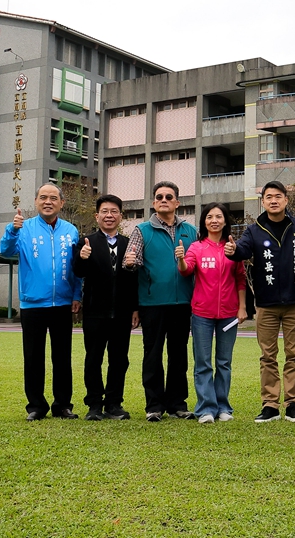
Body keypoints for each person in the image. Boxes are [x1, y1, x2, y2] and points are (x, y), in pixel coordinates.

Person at [225, 181, 295, 423]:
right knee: (268, 356)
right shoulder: (253, 230)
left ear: (286, 200)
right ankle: (270, 405)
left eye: (278, 196)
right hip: (265, 304)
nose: (273, 200)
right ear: (262, 202)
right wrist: (232, 249)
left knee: (294, 356)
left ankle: (293, 404)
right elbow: (242, 250)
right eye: (268, 197)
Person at [0, 183, 82, 421]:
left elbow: (77, 268)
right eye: (43, 197)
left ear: (61, 203)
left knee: (62, 358)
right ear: (36, 201)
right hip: (33, 304)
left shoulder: (71, 230)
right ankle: (36, 406)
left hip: (63, 304)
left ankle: (63, 405)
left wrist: (77, 295)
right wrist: (12, 230)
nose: (48, 201)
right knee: (33, 357)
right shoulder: (22, 228)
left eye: (53, 198)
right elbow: (5, 251)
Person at [123, 181, 197, 422]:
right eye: (159, 197)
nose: (163, 200)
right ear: (154, 203)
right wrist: (131, 262)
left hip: (182, 303)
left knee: (179, 356)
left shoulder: (191, 231)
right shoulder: (141, 230)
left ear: (177, 202)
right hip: (152, 304)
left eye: (169, 196)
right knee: (152, 355)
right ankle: (154, 405)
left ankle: (178, 404)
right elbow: (128, 262)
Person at [177, 202, 247, 424]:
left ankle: (223, 407)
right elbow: (186, 270)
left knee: (224, 362)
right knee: (203, 363)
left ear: (225, 221)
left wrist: (242, 307)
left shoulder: (232, 247)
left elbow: (240, 278)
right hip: (202, 314)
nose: (214, 220)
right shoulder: (197, 247)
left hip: (229, 314)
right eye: (209, 217)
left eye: (218, 216)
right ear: (204, 221)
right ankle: (206, 409)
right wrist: (180, 258)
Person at [72, 195, 139, 421]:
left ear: (121, 216)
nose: (109, 215)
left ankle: (113, 404)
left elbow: (134, 280)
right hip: (94, 312)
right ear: (97, 216)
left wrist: (135, 309)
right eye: (104, 211)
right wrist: (82, 258)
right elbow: (78, 272)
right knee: (93, 359)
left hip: (121, 313)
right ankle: (94, 405)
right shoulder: (86, 242)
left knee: (119, 359)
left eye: (114, 211)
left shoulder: (129, 244)